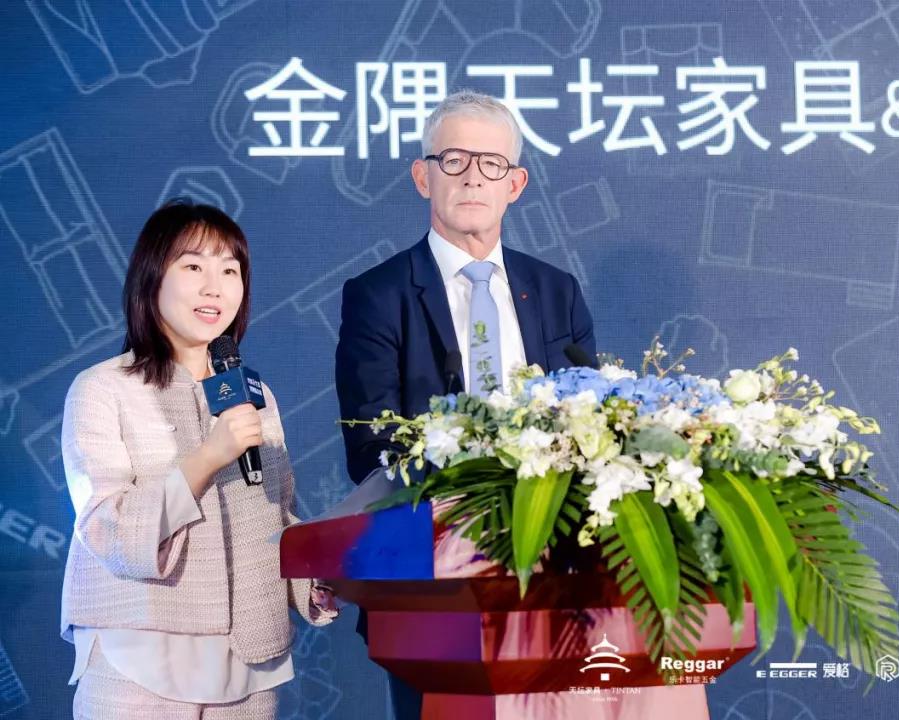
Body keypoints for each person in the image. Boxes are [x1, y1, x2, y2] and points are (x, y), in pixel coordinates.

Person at [335, 90, 596, 719]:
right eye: (453, 160)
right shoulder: (378, 295)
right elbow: (370, 445)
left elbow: (592, 425)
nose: (473, 177)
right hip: (431, 585)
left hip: (555, 577)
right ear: (423, 176)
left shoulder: (556, 291)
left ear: (516, 184)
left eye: (491, 163)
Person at [61, 199, 337, 719]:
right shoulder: (102, 389)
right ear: (151, 278)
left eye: (230, 271)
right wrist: (209, 456)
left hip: (249, 665)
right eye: (193, 267)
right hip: (139, 659)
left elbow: (275, 516)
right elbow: (108, 529)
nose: (215, 287)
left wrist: (316, 580)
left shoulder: (255, 394)